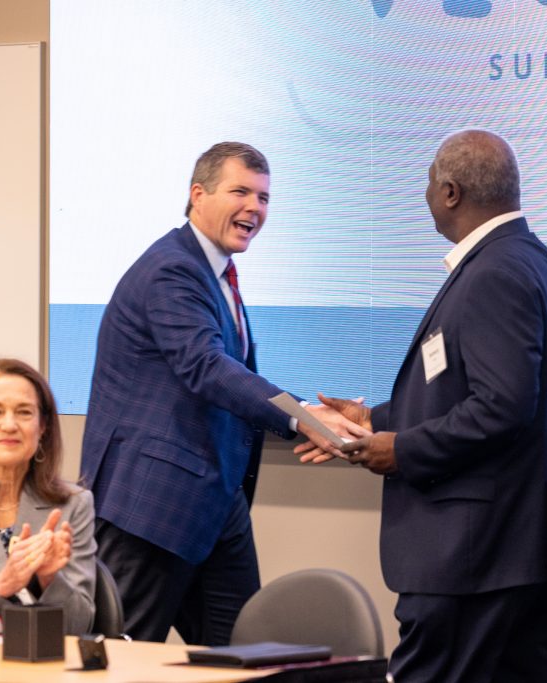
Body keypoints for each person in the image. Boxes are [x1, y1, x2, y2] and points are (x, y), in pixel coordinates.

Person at [299, 129, 547, 681]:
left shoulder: (494, 273)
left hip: (482, 554)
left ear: (451, 193)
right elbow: (485, 392)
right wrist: (378, 420)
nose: (425, 195)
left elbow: (503, 407)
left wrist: (404, 449)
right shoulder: (535, 262)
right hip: (540, 546)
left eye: (427, 184)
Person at [81, 141, 366, 646]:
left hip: (214, 503)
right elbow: (206, 367)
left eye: (264, 197)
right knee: (124, 657)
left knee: (243, 655)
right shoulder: (173, 269)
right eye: (241, 191)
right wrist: (299, 416)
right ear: (198, 195)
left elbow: (229, 377)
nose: (255, 207)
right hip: (153, 507)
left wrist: (306, 410)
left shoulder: (216, 274)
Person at [0, 358, 96, 635]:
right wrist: (0, 585)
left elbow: (80, 625)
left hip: (39, 669)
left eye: (24, 412)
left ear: (43, 426)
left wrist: (49, 578)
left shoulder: (74, 504)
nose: (9, 425)